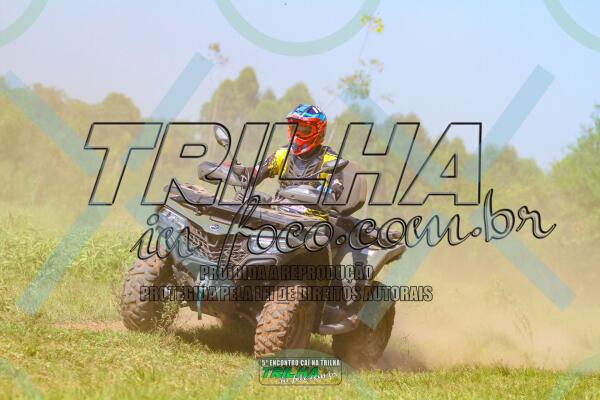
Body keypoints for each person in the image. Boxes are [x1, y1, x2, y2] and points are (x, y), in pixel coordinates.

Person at [252, 104, 343, 217]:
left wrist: (317, 188)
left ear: (319, 131)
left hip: (313, 220)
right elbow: (256, 173)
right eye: (294, 129)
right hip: (279, 214)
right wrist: (240, 172)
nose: (297, 135)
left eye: (304, 130)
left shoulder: (330, 159)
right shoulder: (283, 153)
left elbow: (336, 192)